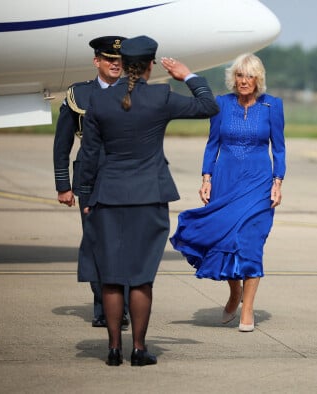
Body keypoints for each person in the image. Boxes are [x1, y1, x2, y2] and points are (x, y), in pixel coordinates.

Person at [77, 35, 219, 366]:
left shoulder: (98, 101)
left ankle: (113, 349)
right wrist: (188, 76)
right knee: (140, 278)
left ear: (123, 63)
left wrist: (87, 195)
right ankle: (139, 349)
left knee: (111, 277)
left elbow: (89, 154)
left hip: (108, 196)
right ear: (151, 65)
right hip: (148, 197)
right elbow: (208, 106)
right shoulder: (160, 96)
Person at [169, 53, 286, 333]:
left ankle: (247, 308)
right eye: (239, 75)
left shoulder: (273, 106)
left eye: (249, 76)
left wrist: (278, 181)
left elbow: (279, 148)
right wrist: (206, 178)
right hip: (226, 180)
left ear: (258, 79)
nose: (243, 81)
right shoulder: (221, 104)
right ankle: (235, 292)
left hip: (258, 183)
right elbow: (212, 145)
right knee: (226, 239)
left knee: (251, 243)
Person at [53, 36, 130, 329]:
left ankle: (120, 305)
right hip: (90, 179)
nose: (114, 64)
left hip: (127, 179)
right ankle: (102, 306)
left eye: (119, 60)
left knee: (124, 244)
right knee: (98, 244)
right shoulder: (78, 94)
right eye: (109, 59)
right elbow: (62, 143)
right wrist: (63, 184)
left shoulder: (136, 92)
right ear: (96, 61)